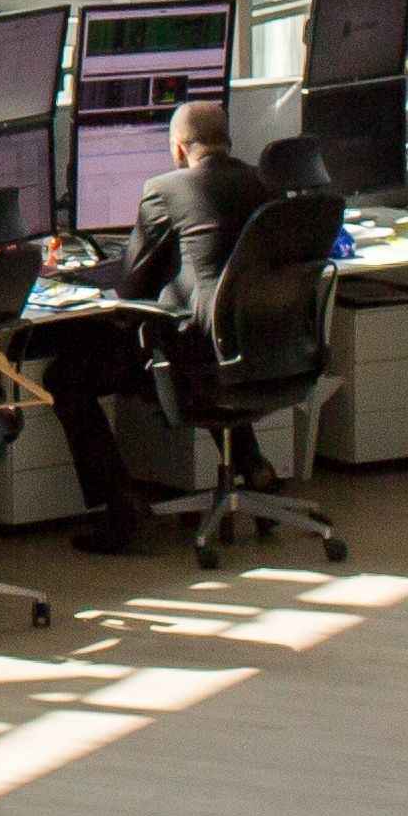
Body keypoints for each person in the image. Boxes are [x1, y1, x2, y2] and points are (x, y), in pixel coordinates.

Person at [31, 99, 263, 556]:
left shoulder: (165, 190)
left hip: (198, 359)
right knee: (213, 340)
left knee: (66, 376)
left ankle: (121, 505)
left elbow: (130, 285)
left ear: (178, 149)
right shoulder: (263, 183)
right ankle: (254, 467)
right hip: (263, 350)